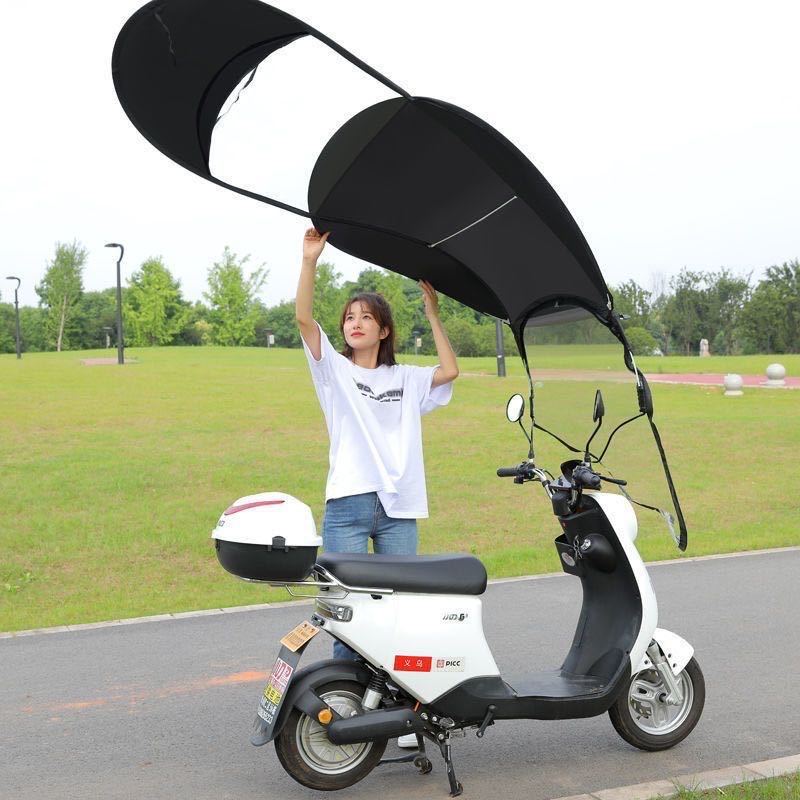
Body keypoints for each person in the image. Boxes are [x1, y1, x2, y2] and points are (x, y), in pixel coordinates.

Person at [295, 225, 459, 654]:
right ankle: (347, 705)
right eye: (350, 317)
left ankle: (389, 704)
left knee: (397, 611)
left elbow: (449, 371)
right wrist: (310, 260)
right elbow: (304, 319)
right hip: (347, 503)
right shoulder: (333, 369)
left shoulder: (404, 378)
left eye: (366, 317)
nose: (356, 323)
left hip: (399, 506)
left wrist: (433, 315)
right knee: (346, 613)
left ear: (383, 330)